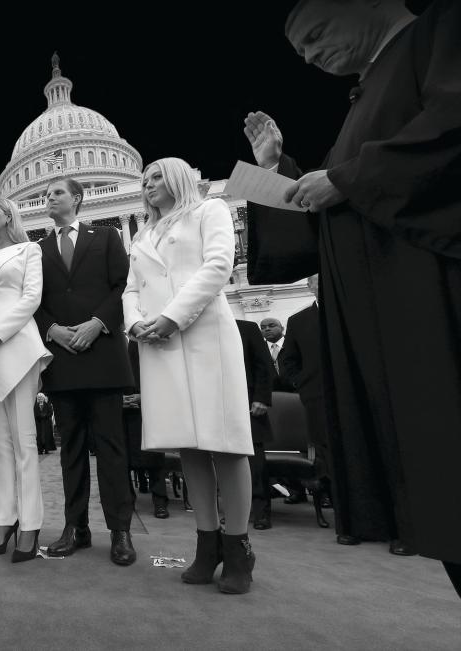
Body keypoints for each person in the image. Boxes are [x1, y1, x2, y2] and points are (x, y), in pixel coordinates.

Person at [244, 0, 460, 593]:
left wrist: (344, 179)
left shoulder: (441, 30)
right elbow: (330, 219)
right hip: (390, 320)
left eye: (315, 33)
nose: (312, 54)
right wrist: (279, 171)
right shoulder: (367, 95)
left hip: (434, 305)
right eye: (301, 50)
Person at [123, 158, 255, 594]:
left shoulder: (209, 211)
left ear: (178, 178)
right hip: (158, 345)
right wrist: (134, 323)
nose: (148, 185)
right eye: (144, 180)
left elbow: (218, 266)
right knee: (190, 447)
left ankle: (238, 547)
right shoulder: (142, 234)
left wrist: (171, 317)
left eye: (157, 176)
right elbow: (130, 288)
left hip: (204, 337)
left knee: (226, 443)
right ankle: (207, 543)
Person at [34, 176, 137, 566]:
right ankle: (75, 527)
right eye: (46, 194)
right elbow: (35, 299)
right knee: (70, 451)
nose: (50, 197)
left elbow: (122, 285)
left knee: (111, 448)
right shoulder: (38, 248)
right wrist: (52, 330)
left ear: (76, 198)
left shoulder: (107, 237)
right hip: (63, 357)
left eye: (57, 192)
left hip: (102, 352)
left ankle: (120, 531)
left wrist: (98, 323)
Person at [0, 197, 52, 563]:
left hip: (15, 345)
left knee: (24, 441)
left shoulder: (29, 250)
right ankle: (4, 520)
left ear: (9, 216)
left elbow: (32, 297)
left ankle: (30, 525)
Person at [279, 274, 334, 517]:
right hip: (317, 398)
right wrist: (302, 384)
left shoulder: (353, 312)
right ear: (309, 286)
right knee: (326, 453)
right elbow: (288, 360)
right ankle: (339, 511)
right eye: (317, 281)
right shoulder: (298, 321)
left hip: (356, 398)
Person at [235, 319, 274, 530]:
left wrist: (261, 397)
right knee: (228, 461)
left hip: (250, 402)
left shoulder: (247, 327)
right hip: (219, 405)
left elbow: (263, 364)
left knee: (255, 462)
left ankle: (261, 512)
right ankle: (237, 510)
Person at [123, 339, 169, 519]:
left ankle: (160, 502)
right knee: (123, 461)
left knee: (154, 458)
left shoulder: (140, 340)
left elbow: (159, 372)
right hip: (121, 413)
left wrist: (144, 396)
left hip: (147, 410)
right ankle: (127, 501)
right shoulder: (109, 341)